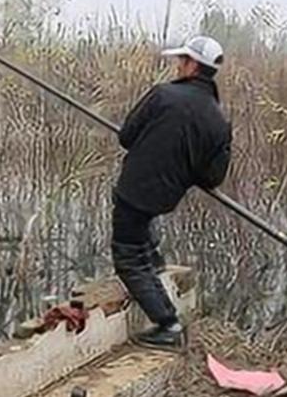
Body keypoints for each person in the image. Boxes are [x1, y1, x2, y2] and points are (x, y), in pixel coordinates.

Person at [112, 35, 232, 351]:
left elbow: (126, 137)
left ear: (193, 65)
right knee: (142, 236)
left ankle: (168, 324)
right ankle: (154, 262)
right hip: (164, 198)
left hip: (133, 191)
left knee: (126, 258)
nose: (178, 65)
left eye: (182, 60)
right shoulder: (219, 121)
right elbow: (212, 178)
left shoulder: (162, 95)